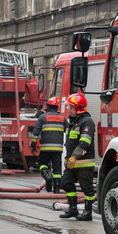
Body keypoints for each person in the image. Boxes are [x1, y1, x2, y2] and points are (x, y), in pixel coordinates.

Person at [58, 92, 96, 220]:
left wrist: (74, 157)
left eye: (71, 107)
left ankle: (88, 212)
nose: (69, 109)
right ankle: (72, 209)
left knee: (87, 188)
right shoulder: (73, 122)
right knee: (66, 183)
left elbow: (85, 142)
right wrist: (68, 159)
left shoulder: (87, 122)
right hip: (71, 163)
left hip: (83, 163)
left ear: (78, 108)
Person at [30, 97, 66, 193]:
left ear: (48, 106)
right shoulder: (63, 119)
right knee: (57, 170)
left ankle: (47, 176)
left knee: (42, 164)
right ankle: (57, 190)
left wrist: (33, 145)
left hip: (45, 148)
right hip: (58, 149)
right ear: (57, 107)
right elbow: (68, 133)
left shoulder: (42, 117)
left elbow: (35, 133)